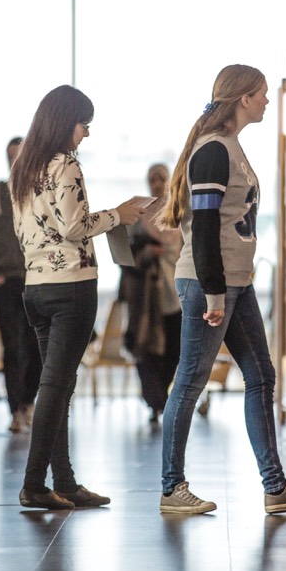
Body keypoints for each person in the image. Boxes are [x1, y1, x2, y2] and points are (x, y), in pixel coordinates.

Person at [158, 64, 286, 516]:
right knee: (190, 382)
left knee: (261, 376)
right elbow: (206, 230)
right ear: (243, 99)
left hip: (237, 282)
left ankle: (275, 487)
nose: (268, 101)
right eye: (263, 94)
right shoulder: (213, 151)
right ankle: (172, 488)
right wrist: (214, 293)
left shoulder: (231, 148)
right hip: (208, 282)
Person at [11, 84, 148, 509]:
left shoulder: (23, 168)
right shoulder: (65, 164)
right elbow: (74, 227)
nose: (85, 134)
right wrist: (119, 216)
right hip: (72, 286)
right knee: (56, 385)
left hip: (35, 286)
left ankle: (64, 481)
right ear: (65, 123)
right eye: (83, 125)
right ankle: (35, 483)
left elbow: (31, 230)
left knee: (59, 385)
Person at [0, 137, 41, 433]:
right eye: (11, 157)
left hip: (36, 281)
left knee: (36, 345)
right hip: (5, 283)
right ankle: (16, 409)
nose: (15, 163)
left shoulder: (41, 194)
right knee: (12, 347)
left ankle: (28, 403)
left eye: (20, 157)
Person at [119, 163, 182, 423]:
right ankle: (155, 401)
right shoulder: (138, 215)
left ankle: (162, 398)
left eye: (161, 178)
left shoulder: (180, 213)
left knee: (173, 349)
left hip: (176, 293)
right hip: (145, 295)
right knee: (145, 348)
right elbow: (123, 253)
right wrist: (145, 253)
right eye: (152, 179)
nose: (157, 183)